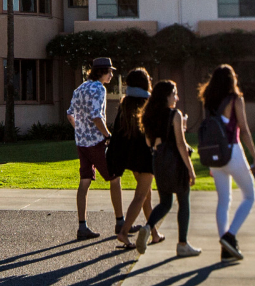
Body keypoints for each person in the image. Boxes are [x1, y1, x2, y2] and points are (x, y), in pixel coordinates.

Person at [202, 64, 255, 261]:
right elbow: (243, 130)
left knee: (223, 200)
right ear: (231, 80)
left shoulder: (209, 101)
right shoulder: (235, 99)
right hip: (232, 151)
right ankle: (230, 235)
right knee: (250, 195)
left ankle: (225, 249)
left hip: (214, 156)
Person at [141, 80, 200, 258]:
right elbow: (181, 145)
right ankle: (182, 244)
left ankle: (147, 227)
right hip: (175, 162)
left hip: (158, 161)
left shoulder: (149, 115)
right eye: (174, 93)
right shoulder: (175, 114)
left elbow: (148, 143)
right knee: (183, 201)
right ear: (167, 96)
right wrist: (190, 169)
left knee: (165, 202)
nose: (177, 97)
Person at [67, 57, 124, 240]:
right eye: (109, 71)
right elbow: (96, 116)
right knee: (114, 177)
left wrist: (80, 130)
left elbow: (70, 115)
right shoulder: (99, 88)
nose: (111, 75)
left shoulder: (80, 88)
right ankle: (120, 222)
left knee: (84, 181)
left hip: (81, 143)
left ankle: (82, 227)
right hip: (96, 142)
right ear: (101, 72)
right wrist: (108, 136)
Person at [109, 68, 161, 249]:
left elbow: (118, 132)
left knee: (146, 196)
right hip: (147, 157)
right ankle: (123, 232)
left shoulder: (125, 103)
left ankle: (154, 234)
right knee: (141, 196)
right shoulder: (150, 103)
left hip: (132, 157)